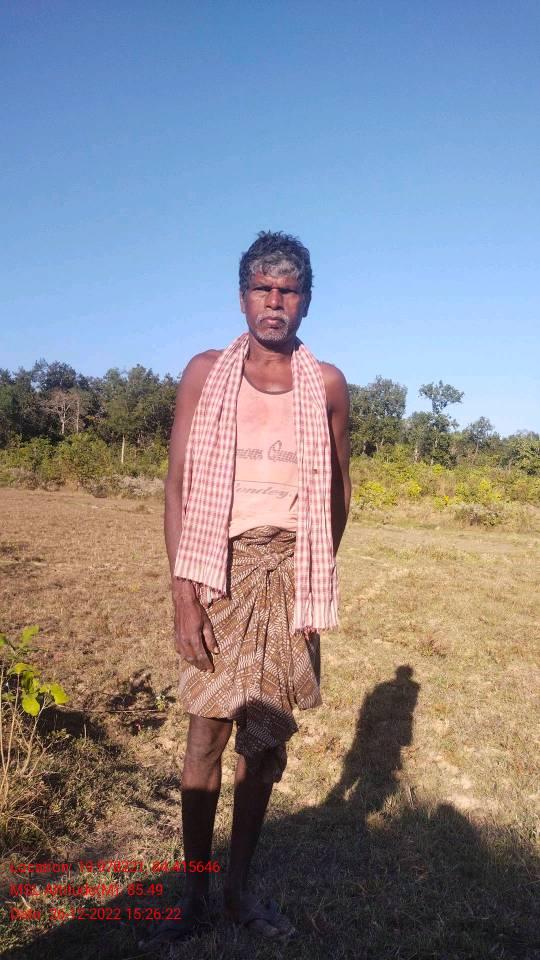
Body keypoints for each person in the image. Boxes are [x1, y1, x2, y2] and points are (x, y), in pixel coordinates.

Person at [161, 230, 351, 942]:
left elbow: (339, 493)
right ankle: (194, 896)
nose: (275, 302)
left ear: (306, 300)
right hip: (217, 572)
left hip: (289, 574)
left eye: (288, 290)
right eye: (262, 289)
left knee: (263, 744)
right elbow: (178, 487)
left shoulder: (325, 384)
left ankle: (237, 892)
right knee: (206, 735)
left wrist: (313, 580)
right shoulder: (205, 373)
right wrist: (184, 595)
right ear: (242, 297)